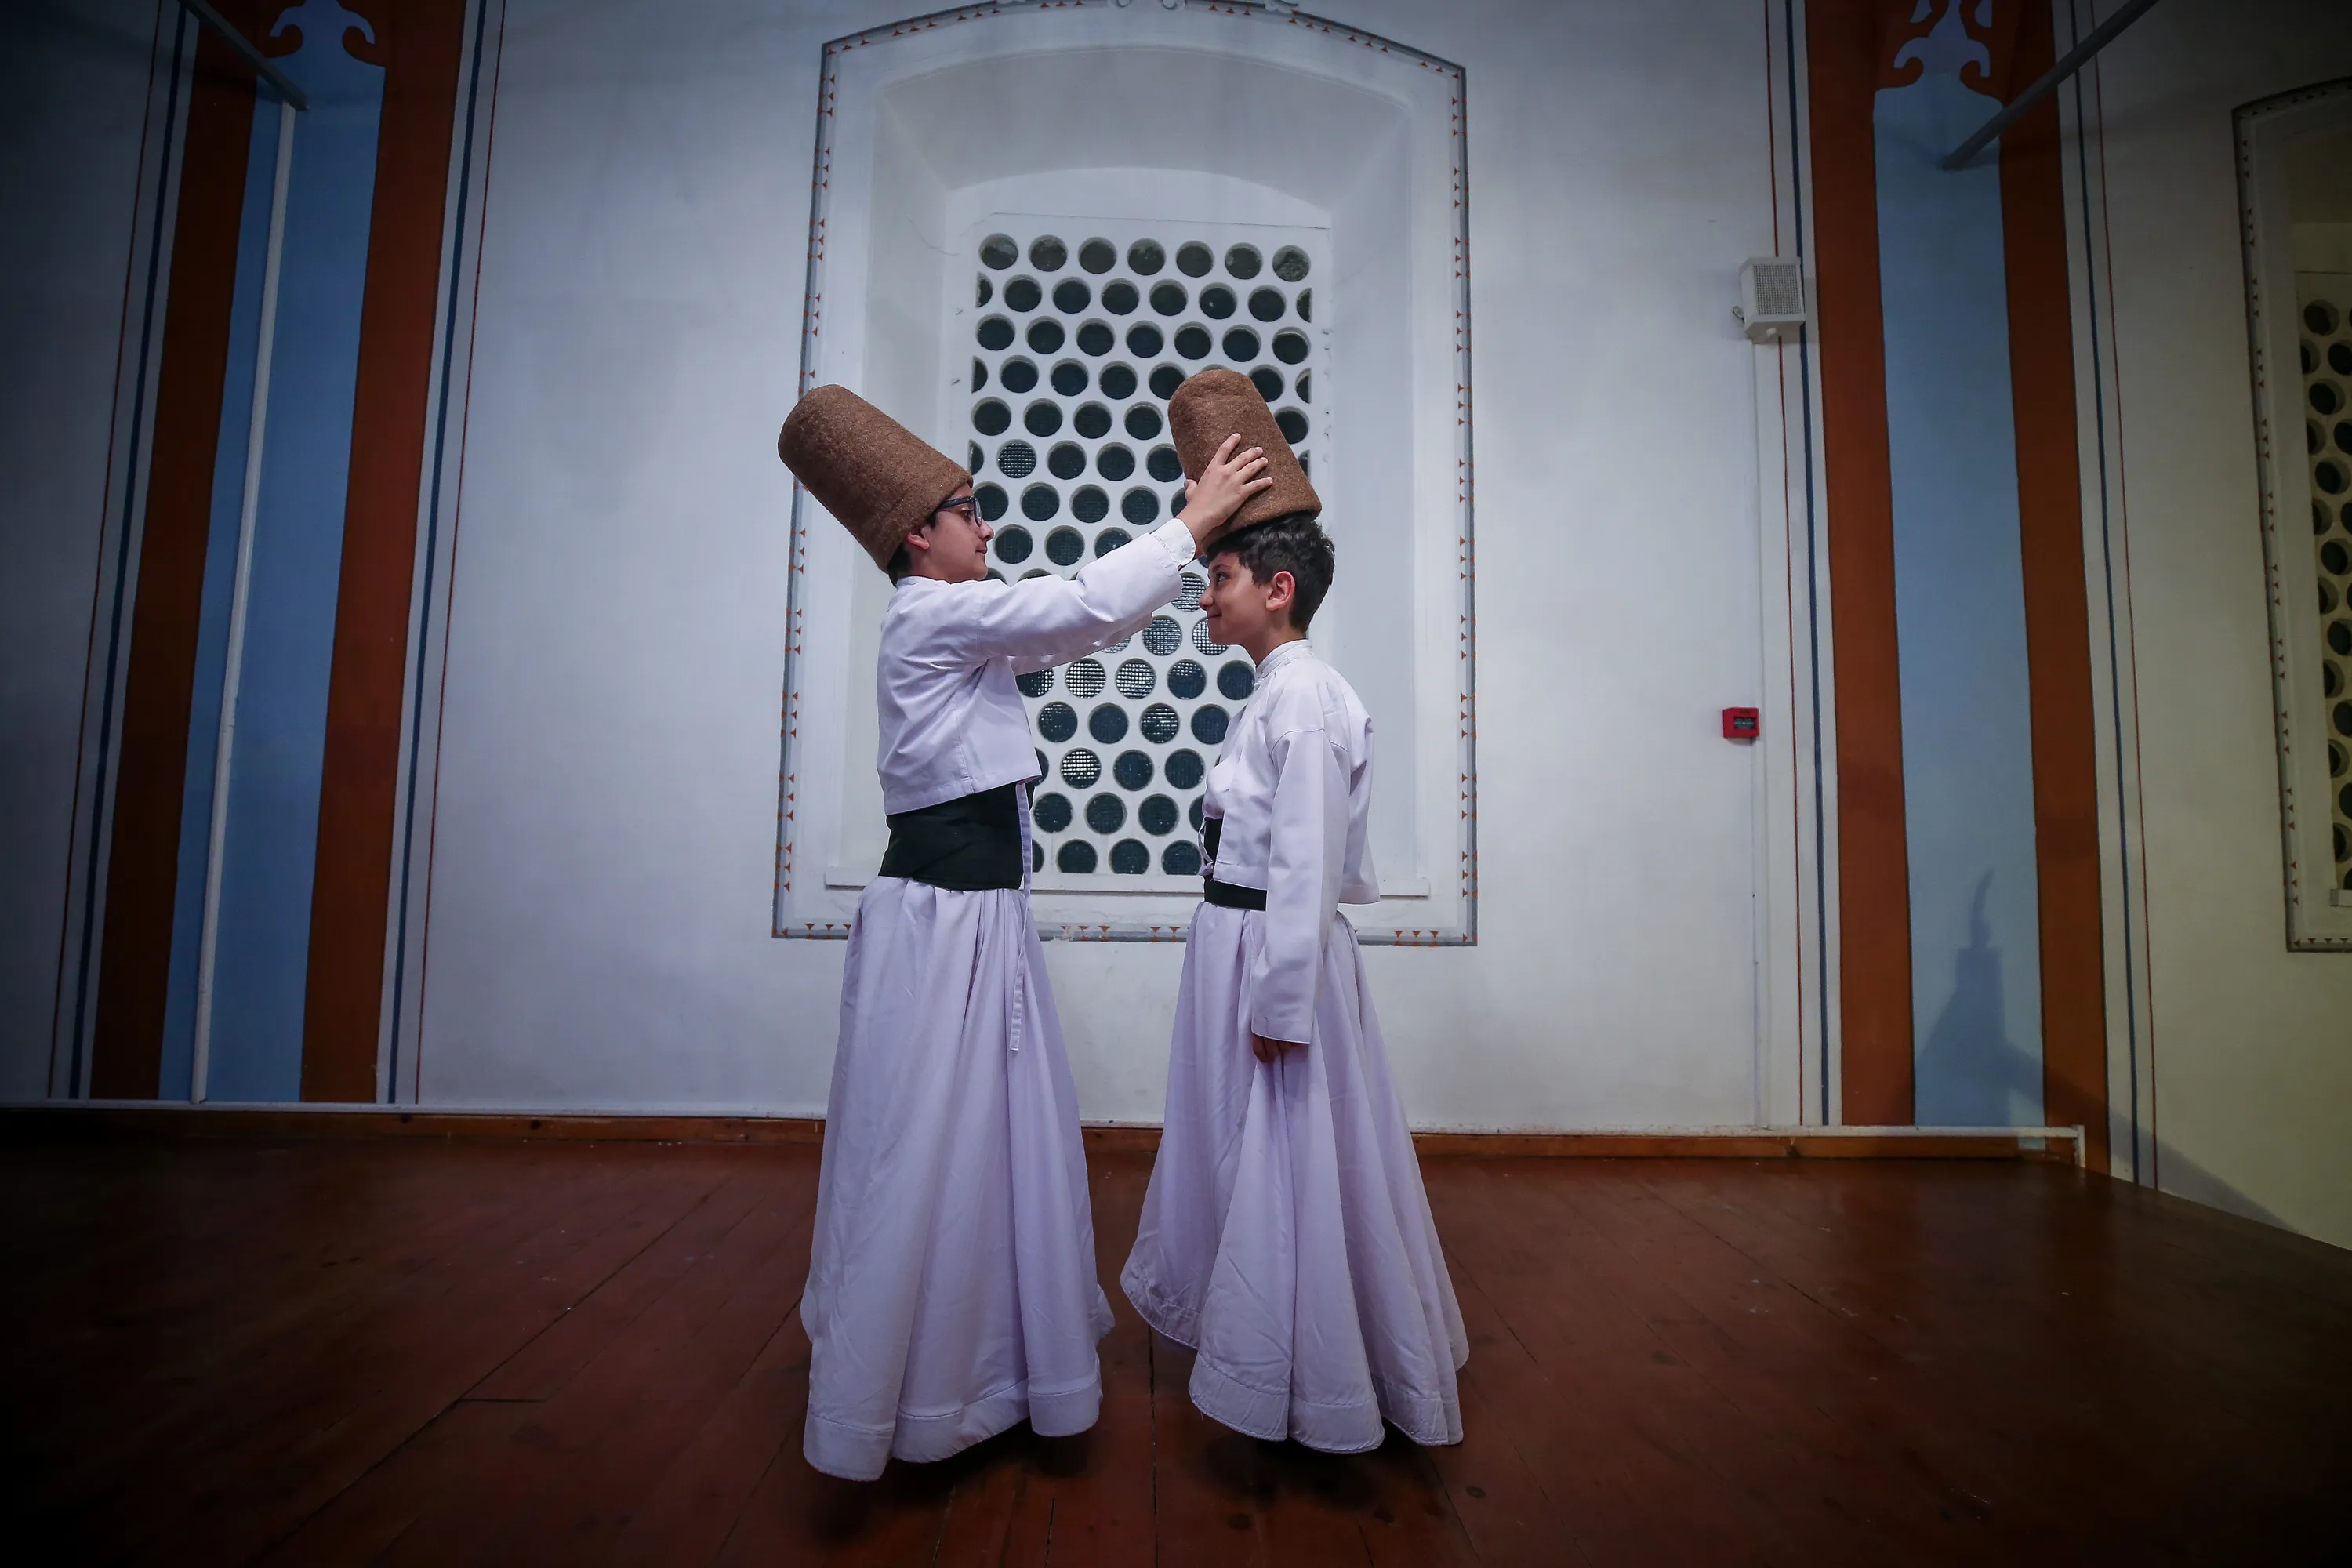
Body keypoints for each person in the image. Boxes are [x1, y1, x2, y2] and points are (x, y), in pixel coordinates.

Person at [774, 383, 1269, 1481]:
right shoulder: (930, 617)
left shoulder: (963, 630)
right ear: (918, 536)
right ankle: (910, 1387)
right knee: (928, 1147)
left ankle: (984, 1365)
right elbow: (1077, 604)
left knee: (986, 1141)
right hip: (942, 927)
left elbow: (1086, 621)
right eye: (968, 511)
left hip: (975, 921)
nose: (986, 527)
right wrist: (1193, 523)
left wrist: (1182, 544)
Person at [1121, 368, 1468, 1454]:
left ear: (1277, 589)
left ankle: (1307, 1369)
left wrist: (1283, 1003)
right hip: (1239, 944)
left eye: (1218, 576)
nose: (1205, 597)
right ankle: (1259, 1336)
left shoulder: (1306, 697)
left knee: (1289, 1158)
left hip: (1273, 954)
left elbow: (1307, 868)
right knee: (1244, 1146)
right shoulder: (1274, 693)